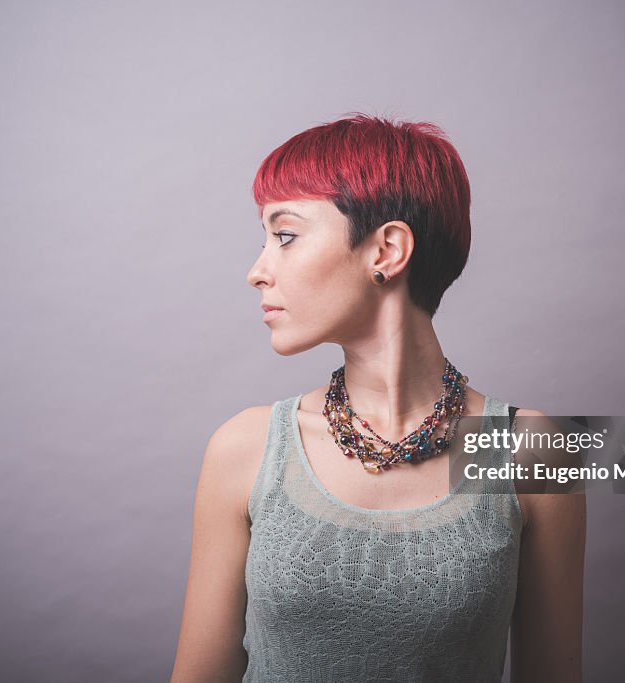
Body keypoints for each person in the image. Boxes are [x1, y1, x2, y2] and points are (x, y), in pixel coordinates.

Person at [171, 114, 585, 682]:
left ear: (387, 250)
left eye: (284, 235)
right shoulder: (247, 447)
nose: (257, 271)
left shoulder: (527, 451)